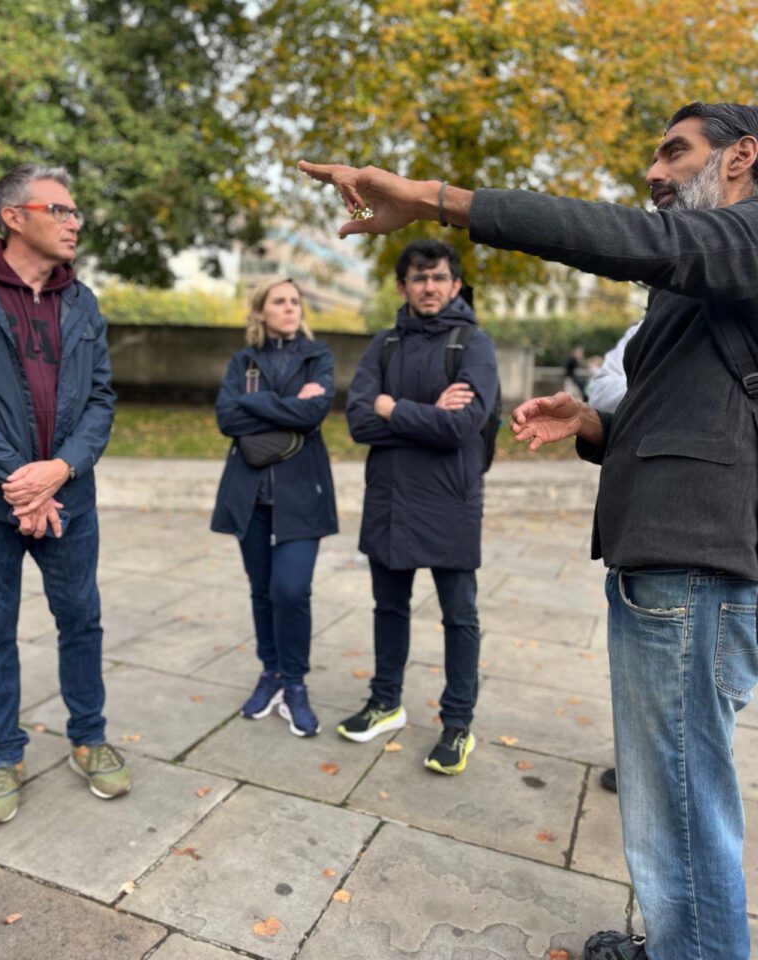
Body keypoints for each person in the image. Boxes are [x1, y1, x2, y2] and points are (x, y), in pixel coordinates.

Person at [299, 100, 758, 960]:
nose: (653, 174)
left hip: (697, 564)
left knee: (683, 800)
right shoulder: (711, 287)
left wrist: (439, 199)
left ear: (741, 159)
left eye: (674, 152)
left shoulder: (742, 239)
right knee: (668, 798)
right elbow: (711, 420)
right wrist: (594, 425)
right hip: (669, 555)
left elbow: (633, 241)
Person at [0, 163, 129, 825]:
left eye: (77, 213)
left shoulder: (84, 302)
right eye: (62, 210)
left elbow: (101, 398)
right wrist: (23, 483)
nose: (76, 222)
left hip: (69, 496)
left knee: (82, 620)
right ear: (15, 216)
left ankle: (89, 738)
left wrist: (62, 471)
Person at [336, 239, 499, 776]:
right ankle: (386, 702)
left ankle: (457, 724)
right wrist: (420, 413)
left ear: (454, 285)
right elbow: (359, 421)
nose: (428, 287)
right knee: (389, 609)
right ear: (403, 286)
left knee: (459, 616)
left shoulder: (473, 345)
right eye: (418, 278)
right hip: (389, 501)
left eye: (439, 278)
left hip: (451, 501)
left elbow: (460, 427)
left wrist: (394, 409)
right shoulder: (382, 346)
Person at [211, 276, 337, 738]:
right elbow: (227, 417)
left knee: (290, 590)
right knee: (261, 589)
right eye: (279, 301)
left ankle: (296, 683)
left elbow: (314, 414)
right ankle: (271, 673)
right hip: (250, 495)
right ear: (260, 310)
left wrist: (256, 404)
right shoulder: (242, 360)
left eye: (295, 301)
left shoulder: (317, 356)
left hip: (303, 494)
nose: (289, 308)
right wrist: (285, 403)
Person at [586, 319, 643, 796]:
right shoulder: (648, 323)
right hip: (636, 531)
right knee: (642, 681)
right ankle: (641, 764)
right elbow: (601, 388)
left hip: (706, 540)